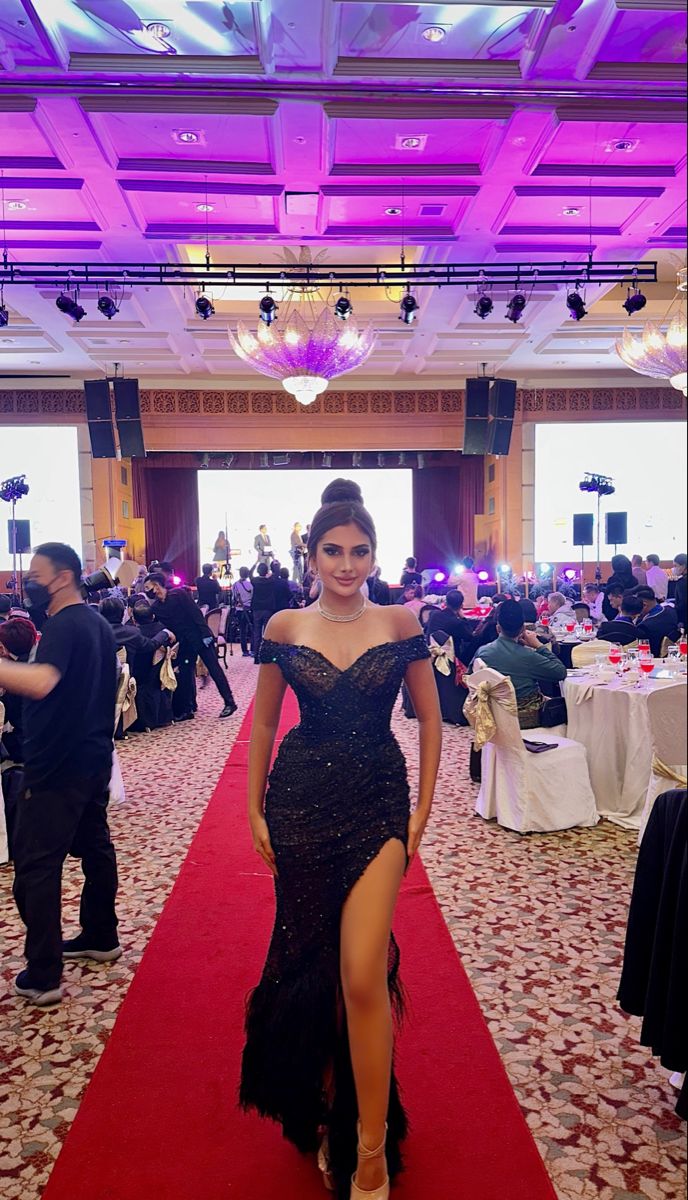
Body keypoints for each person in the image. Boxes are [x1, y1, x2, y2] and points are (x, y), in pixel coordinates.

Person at [240, 478, 442, 1199]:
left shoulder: (399, 622)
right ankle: (328, 1101)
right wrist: (253, 805)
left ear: (374, 554)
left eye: (359, 551)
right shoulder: (285, 628)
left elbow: (429, 719)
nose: (346, 564)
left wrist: (421, 810)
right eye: (333, 551)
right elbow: (263, 723)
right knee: (315, 971)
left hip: (379, 803)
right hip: (298, 803)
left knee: (362, 974)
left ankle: (370, 1147)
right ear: (312, 554)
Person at [0, 543, 120, 1006]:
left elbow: (45, 680)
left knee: (36, 867)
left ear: (63, 577)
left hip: (56, 764)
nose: (28, 582)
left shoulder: (64, 625)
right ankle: (100, 934)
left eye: (36, 574)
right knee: (94, 847)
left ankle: (44, 972)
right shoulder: (94, 622)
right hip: (92, 757)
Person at [143, 573, 237, 720]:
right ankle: (187, 709)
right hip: (184, 644)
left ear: (156, 585)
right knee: (186, 674)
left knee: (214, 669)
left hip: (199, 638)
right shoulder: (156, 607)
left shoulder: (178, 594)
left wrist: (206, 634)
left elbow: (196, 614)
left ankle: (229, 702)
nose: (148, 591)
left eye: (148, 587)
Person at [474, 598, 567, 729]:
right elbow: (560, 672)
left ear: (498, 628)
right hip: (527, 719)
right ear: (522, 629)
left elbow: (470, 678)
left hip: (492, 716)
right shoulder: (527, 656)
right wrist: (539, 645)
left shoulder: (482, 652)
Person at [128, 599, 175, 729]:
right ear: (153, 616)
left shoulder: (136, 634)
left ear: (134, 620)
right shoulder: (162, 629)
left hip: (140, 676)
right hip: (159, 675)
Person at [98, 596, 173, 667]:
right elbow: (150, 645)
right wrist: (165, 633)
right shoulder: (131, 633)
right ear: (122, 614)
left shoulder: (93, 634)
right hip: (125, 677)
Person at [426, 590, 472, 661]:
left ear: (446, 603)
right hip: (449, 659)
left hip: (429, 654)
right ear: (461, 605)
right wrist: (463, 618)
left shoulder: (433, 614)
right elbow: (469, 637)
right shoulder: (456, 623)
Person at [634, 586, 680, 657]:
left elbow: (643, 653)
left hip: (654, 658)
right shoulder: (671, 610)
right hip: (673, 653)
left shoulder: (645, 626)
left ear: (644, 605)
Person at [250, 562, 276, 663]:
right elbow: (276, 572)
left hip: (257, 609)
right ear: (266, 572)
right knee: (267, 633)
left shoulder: (255, 581)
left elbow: (249, 573)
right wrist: (274, 561)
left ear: (258, 571)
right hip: (268, 609)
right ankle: (266, 656)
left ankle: (256, 657)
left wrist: (255, 563)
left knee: (257, 633)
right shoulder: (270, 581)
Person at [602, 555, 636, 620]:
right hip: (631, 611)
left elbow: (607, 598)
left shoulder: (613, 579)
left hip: (613, 612)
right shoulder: (634, 580)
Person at [232, 566, 254, 657]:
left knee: (242, 631)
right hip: (249, 609)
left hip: (240, 610)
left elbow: (234, 597)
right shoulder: (251, 584)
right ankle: (253, 649)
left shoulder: (235, 584)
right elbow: (253, 597)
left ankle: (244, 651)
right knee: (252, 630)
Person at [673, 553, 687, 629]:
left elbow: (683, 603)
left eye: (675, 566)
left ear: (683, 566)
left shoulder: (682, 582)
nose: (674, 568)